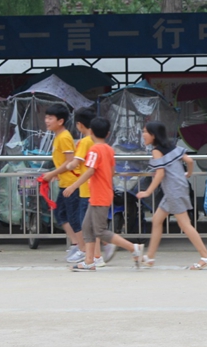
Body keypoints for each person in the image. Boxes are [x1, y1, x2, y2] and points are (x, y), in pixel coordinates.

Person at [63, 117, 144, 271]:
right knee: (87, 226)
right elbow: (112, 171)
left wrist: (73, 186)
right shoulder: (109, 149)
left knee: (99, 230)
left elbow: (90, 171)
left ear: (91, 132)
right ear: (107, 134)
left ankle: (133, 248)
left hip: (99, 194)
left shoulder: (94, 150)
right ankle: (89, 261)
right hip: (102, 193)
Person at [136, 121, 207, 269]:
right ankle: (150, 257)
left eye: (145, 132)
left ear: (153, 135)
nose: (143, 134)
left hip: (173, 191)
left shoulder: (157, 151)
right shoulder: (172, 147)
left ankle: (206, 256)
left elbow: (160, 174)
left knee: (184, 224)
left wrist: (147, 192)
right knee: (157, 220)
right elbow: (189, 160)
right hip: (177, 189)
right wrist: (188, 174)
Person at [64, 107, 116, 267]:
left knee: (93, 227)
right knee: (91, 226)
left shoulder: (87, 143)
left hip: (89, 191)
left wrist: (68, 172)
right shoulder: (107, 148)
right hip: (98, 190)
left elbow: (84, 167)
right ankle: (92, 257)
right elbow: (111, 171)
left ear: (80, 125)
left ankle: (98, 255)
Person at [41, 104, 86, 264]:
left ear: (60, 121)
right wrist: (57, 174)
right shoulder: (59, 136)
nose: (47, 121)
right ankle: (76, 244)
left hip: (71, 184)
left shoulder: (64, 137)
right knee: (60, 214)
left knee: (72, 217)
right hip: (65, 182)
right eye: (46, 117)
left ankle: (82, 248)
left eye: (50, 118)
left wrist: (53, 173)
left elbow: (70, 161)